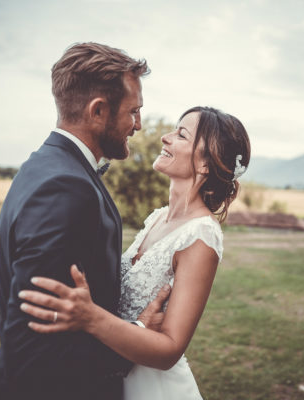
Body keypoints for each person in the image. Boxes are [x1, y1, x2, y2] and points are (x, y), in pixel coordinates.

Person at [18, 106, 251, 399]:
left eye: (181, 135)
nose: (165, 138)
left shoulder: (201, 234)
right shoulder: (158, 217)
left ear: (206, 164)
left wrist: (90, 317)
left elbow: (169, 350)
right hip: (113, 375)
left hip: (153, 387)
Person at [0, 42, 168, 400]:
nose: (139, 125)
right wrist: (137, 330)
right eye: (134, 111)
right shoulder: (65, 187)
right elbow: (35, 344)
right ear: (98, 111)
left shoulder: (46, 165)